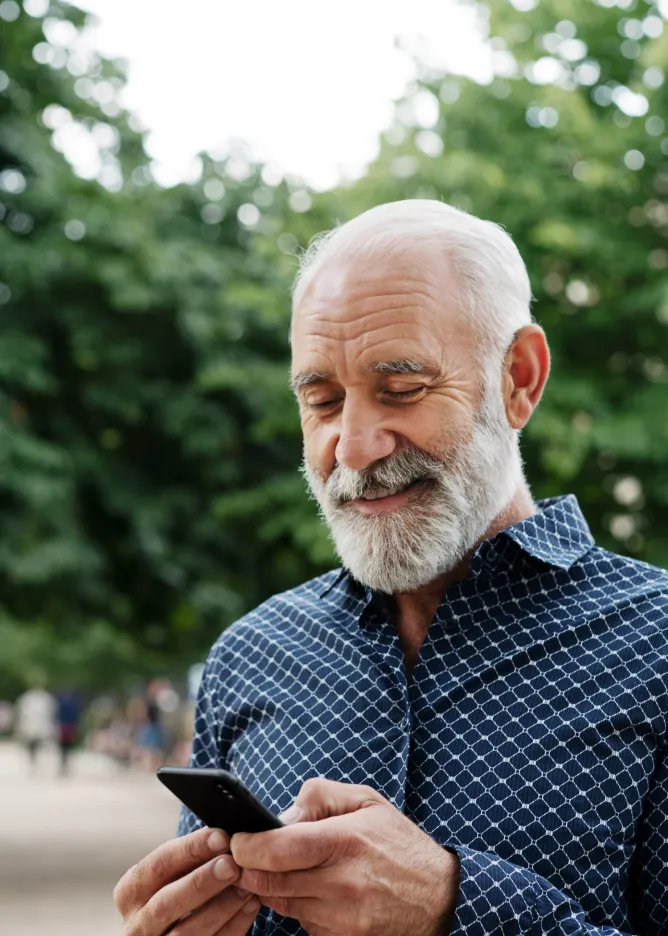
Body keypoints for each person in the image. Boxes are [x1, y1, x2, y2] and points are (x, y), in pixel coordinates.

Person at [114, 200, 668, 936]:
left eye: (402, 389)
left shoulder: (655, 647)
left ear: (519, 380)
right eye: (321, 400)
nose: (353, 447)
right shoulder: (250, 657)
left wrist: (450, 906)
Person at [14, 684, 56, 771]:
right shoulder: (28, 699)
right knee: (32, 744)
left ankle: (36, 760)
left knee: (38, 744)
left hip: (38, 726)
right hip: (31, 726)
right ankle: (33, 760)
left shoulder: (44, 699)